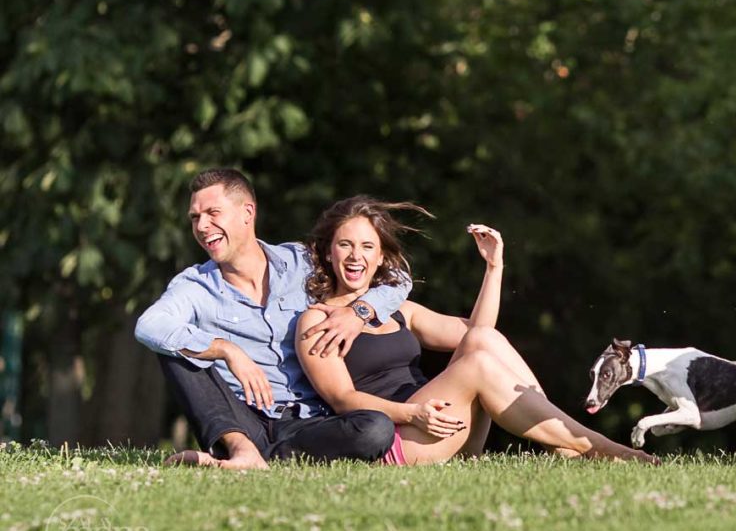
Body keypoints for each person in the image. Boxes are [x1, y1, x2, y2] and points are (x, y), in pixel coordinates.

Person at [295, 195, 658, 465]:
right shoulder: (316, 320)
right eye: (345, 245)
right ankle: (601, 448)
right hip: (400, 437)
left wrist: (493, 268)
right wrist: (413, 413)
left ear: (380, 257)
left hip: (442, 426)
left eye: (367, 247)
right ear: (328, 252)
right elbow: (342, 398)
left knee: (482, 341)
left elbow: (479, 334)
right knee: (476, 364)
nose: (355, 256)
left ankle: (565, 443)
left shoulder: (400, 310)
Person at [134, 169, 410, 470]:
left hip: (309, 421)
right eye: (195, 217)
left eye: (213, 213)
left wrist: (359, 313)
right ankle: (240, 449)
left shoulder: (302, 262)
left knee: (376, 428)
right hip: (241, 421)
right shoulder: (196, 286)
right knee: (175, 349)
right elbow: (149, 325)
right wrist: (226, 349)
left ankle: (259, 459)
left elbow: (397, 278)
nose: (202, 226)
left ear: (247, 213)